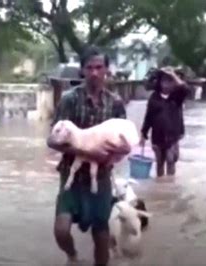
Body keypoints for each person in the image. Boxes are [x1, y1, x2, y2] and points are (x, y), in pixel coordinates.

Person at [47, 46, 129, 266]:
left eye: (99, 67)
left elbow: (124, 143)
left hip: (101, 177)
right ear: (82, 71)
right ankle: (73, 256)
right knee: (61, 230)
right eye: (89, 67)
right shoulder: (69, 100)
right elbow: (51, 140)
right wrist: (85, 151)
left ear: (106, 70)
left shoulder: (116, 103)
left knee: (101, 234)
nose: (94, 72)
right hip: (71, 175)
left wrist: (115, 155)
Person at [140, 67, 189, 179]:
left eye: (170, 81)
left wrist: (173, 75)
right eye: (164, 81)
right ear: (159, 82)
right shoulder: (154, 98)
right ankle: (161, 185)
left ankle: (171, 185)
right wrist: (143, 134)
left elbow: (185, 88)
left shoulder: (177, 96)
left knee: (171, 160)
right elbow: (148, 117)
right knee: (159, 164)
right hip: (157, 137)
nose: (167, 84)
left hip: (173, 137)